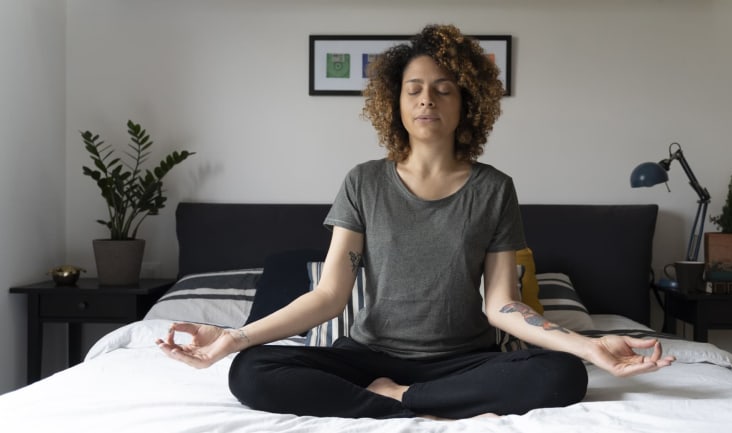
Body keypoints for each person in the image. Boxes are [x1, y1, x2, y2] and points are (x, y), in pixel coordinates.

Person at [156, 24, 674, 420]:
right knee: (251, 372)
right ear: (395, 101)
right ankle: (412, 400)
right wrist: (234, 337)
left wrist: (588, 346)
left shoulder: (494, 188)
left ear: (467, 101)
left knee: (563, 377)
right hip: (366, 354)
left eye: (444, 88)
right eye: (414, 88)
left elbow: (502, 304)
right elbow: (329, 296)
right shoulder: (363, 182)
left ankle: (398, 399)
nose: (428, 98)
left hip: (464, 360)